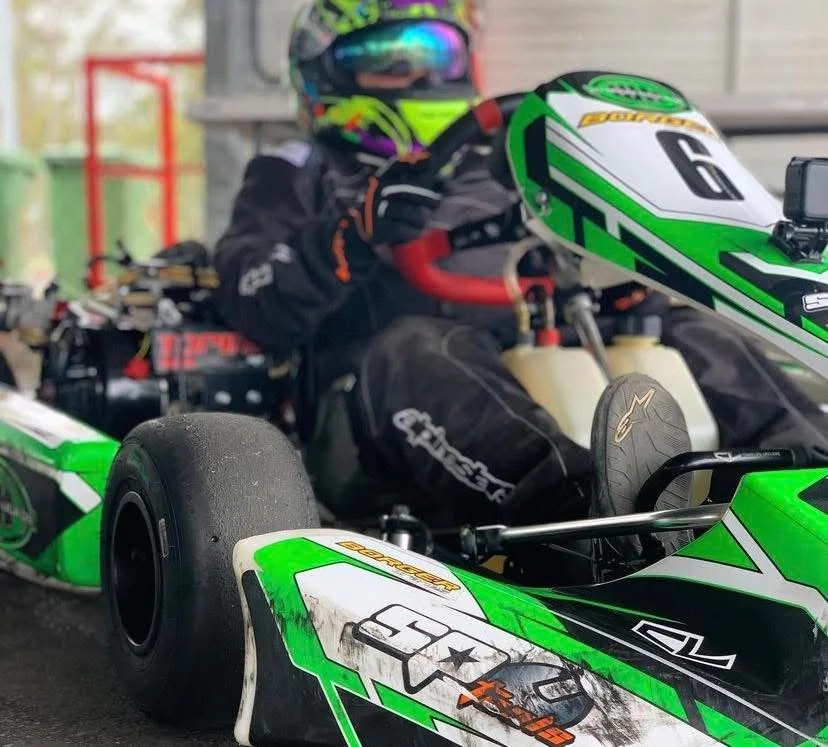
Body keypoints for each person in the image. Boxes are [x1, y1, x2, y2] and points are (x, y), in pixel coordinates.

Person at [212, 1, 828, 545]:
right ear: (326, 75)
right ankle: (589, 521)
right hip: (369, 404)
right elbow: (252, 294)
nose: (422, 77)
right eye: (392, 61)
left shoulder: (496, 163)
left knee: (682, 329)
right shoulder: (295, 170)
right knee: (422, 348)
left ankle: (807, 481)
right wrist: (352, 235)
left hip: (543, 351)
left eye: (437, 54)